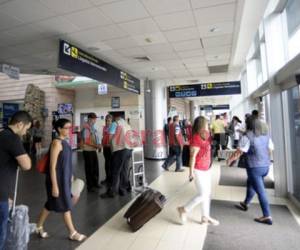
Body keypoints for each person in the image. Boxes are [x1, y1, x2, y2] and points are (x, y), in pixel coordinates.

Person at [36, 119, 86, 241]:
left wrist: (71, 175)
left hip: (64, 178)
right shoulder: (56, 143)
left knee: (50, 204)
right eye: (67, 128)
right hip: (57, 180)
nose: (69, 130)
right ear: (59, 129)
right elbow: (52, 166)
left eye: (70, 127)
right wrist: (54, 186)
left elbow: (65, 162)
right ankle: (72, 233)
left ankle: (38, 226)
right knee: (66, 206)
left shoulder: (65, 142)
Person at [177, 116, 219, 226]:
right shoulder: (195, 138)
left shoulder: (206, 136)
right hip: (198, 169)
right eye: (206, 124)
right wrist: (191, 173)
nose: (208, 125)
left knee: (207, 194)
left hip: (206, 169)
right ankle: (184, 209)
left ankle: (205, 217)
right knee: (203, 194)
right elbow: (193, 157)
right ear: (201, 125)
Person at [0, 111, 32, 249]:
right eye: (26, 129)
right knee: (1, 232)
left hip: (2, 192)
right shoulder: (12, 138)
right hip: (0, 194)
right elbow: (27, 165)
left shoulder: (1, 134)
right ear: (19, 124)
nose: (25, 133)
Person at [235, 116, 274, 225]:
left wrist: (230, 159)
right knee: (251, 182)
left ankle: (267, 216)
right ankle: (246, 203)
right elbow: (270, 150)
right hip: (265, 166)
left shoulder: (247, 136)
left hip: (254, 167)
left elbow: (239, 151)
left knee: (261, 192)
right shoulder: (266, 135)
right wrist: (266, 161)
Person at [100, 115, 133, 198]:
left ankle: (112, 191)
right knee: (124, 170)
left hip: (120, 150)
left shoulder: (115, 124)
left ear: (116, 119)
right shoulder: (127, 125)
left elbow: (110, 138)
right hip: (129, 149)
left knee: (115, 171)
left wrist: (112, 150)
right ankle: (123, 190)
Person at [81, 113, 101, 193]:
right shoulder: (86, 128)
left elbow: (95, 137)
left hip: (93, 150)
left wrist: (98, 144)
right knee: (89, 169)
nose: (95, 120)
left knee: (95, 168)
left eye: (95, 119)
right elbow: (86, 141)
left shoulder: (92, 128)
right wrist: (96, 146)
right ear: (89, 119)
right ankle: (90, 186)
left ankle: (95, 183)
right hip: (88, 151)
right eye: (94, 119)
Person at [101, 114, 113, 185]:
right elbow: (104, 136)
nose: (107, 122)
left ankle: (112, 179)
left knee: (111, 164)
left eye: (108, 121)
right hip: (105, 148)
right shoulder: (104, 127)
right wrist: (102, 144)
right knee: (107, 163)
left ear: (111, 121)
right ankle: (107, 178)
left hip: (111, 148)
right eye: (106, 121)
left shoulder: (113, 127)